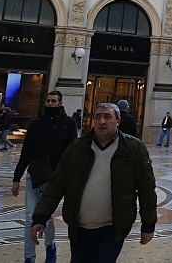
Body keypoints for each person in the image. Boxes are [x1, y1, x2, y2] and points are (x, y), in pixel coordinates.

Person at [31, 102, 156, 260]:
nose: (102, 121)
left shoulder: (133, 149)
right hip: (78, 228)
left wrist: (148, 225)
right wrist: (40, 217)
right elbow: (56, 184)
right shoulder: (77, 148)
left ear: (118, 121)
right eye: (97, 117)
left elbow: (146, 190)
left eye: (107, 117)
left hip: (112, 229)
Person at [12, 90, 78, 263]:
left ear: (60, 103)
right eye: (48, 101)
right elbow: (26, 152)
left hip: (55, 178)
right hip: (34, 174)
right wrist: (16, 178)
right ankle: (29, 257)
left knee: (46, 217)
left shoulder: (69, 124)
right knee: (29, 218)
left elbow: (72, 152)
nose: (50, 104)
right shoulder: (35, 124)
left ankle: (51, 247)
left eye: (53, 101)